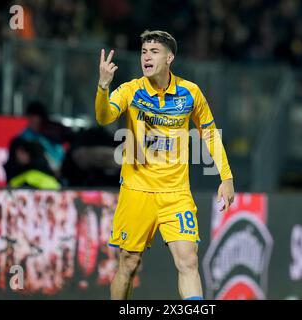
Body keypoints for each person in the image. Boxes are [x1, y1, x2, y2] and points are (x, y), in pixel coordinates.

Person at [95, 30, 235, 300]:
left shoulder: (190, 92)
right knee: (128, 263)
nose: (146, 57)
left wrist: (226, 177)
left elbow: (208, 132)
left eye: (154, 52)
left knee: (189, 261)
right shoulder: (130, 90)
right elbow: (104, 117)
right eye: (144, 52)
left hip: (176, 194)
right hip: (137, 191)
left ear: (170, 57)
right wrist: (103, 87)